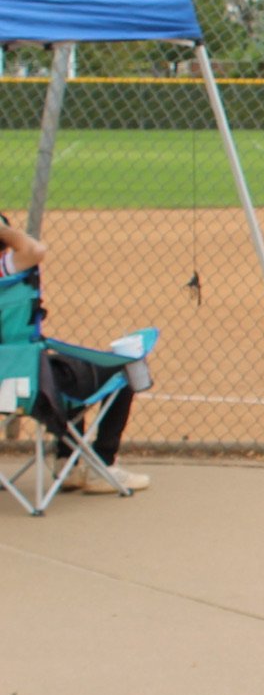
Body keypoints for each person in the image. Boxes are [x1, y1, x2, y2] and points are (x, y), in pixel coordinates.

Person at [0, 210, 149, 491]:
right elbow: (35, 250)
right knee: (122, 365)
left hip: (7, 382)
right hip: (25, 381)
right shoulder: (6, 271)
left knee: (63, 370)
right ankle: (102, 465)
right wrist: (6, 232)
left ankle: (67, 461)